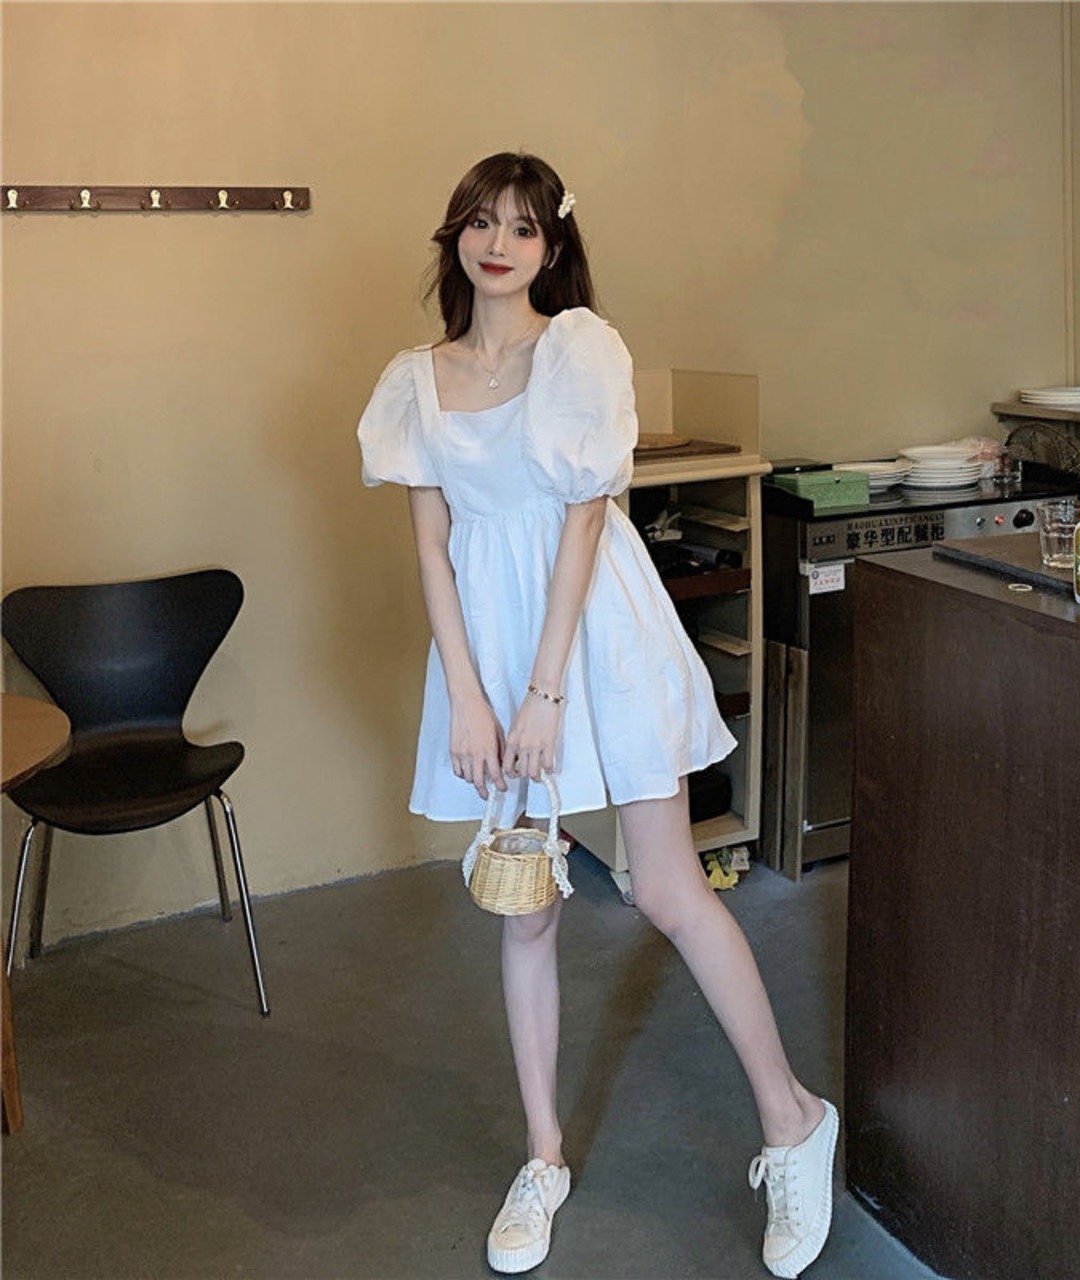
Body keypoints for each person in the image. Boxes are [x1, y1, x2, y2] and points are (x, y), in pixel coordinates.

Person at [357, 151, 838, 1279]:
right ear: (455, 235)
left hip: (595, 642)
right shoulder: (414, 380)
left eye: (523, 227)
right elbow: (431, 547)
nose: (499, 245)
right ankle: (542, 1158)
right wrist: (468, 693)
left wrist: (543, 692)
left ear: (551, 247)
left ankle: (793, 1119)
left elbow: (582, 523)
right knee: (523, 902)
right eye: (482, 222)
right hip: (490, 652)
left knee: (667, 888)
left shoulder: (578, 350)